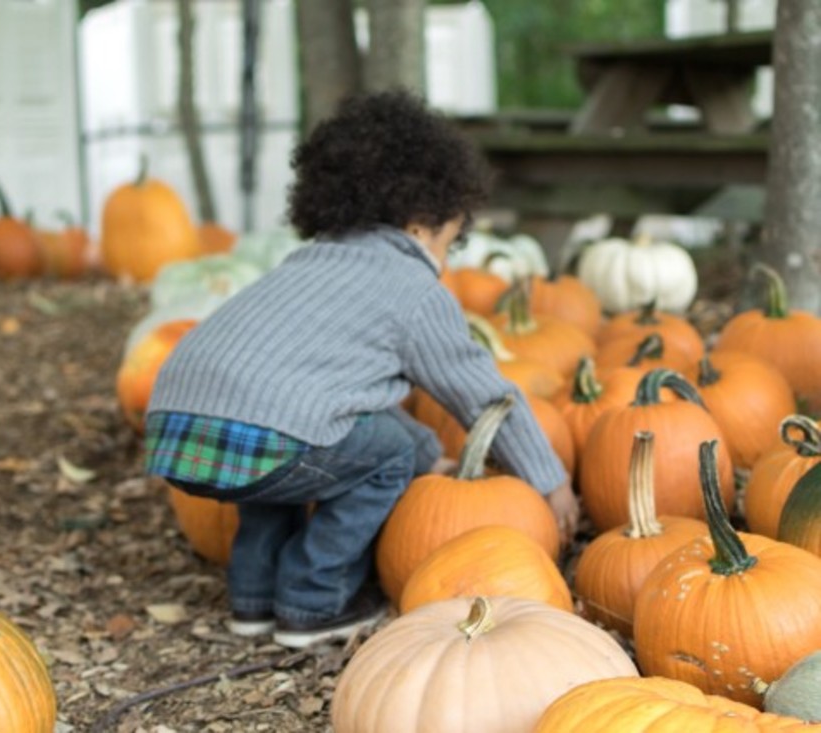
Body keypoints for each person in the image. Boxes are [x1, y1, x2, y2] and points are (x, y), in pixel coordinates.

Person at [143, 90, 577, 649]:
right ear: (422, 225)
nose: (446, 258)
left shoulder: (308, 263)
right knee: (377, 454)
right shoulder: (413, 287)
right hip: (263, 431)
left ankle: (251, 602)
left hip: (178, 426)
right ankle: (313, 602)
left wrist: (435, 457)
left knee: (275, 459)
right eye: (451, 241)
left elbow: (341, 402)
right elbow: (484, 397)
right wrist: (551, 481)